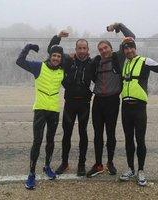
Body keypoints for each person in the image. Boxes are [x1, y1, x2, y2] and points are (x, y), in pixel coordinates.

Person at [117, 37, 158, 186]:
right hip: (125, 107)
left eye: (131, 48)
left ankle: (141, 170)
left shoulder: (145, 61)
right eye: (126, 48)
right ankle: (130, 168)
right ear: (123, 50)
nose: (129, 51)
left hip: (139, 108)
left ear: (135, 48)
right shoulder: (124, 62)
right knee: (128, 140)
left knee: (140, 139)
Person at [86, 23, 135, 178]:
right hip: (98, 101)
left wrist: (119, 25)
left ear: (111, 48)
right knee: (97, 134)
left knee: (111, 134)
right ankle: (98, 164)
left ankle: (110, 162)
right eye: (100, 49)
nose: (103, 51)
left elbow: (131, 38)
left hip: (113, 101)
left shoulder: (118, 57)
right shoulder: (96, 61)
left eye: (105, 48)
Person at [16, 43, 64, 189]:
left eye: (59, 56)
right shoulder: (39, 67)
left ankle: (47, 166)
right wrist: (28, 47)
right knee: (37, 141)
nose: (56, 58)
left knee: (50, 141)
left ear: (61, 59)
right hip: (40, 110)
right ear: (50, 56)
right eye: (54, 55)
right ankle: (31, 174)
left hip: (54, 111)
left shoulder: (62, 71)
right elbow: (20, 61)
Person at [47, 31, 94, 176]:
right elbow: (51, 50)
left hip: (85, 104)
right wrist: (58, 37)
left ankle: (81, 164)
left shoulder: (93, 63)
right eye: (79, 48)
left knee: (83, 134)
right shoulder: (68, 60)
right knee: (66, 134)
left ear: (87, 50)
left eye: (84, 48)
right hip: (70, 103)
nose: (81, 51)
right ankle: (65, 163)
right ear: (75, 49)